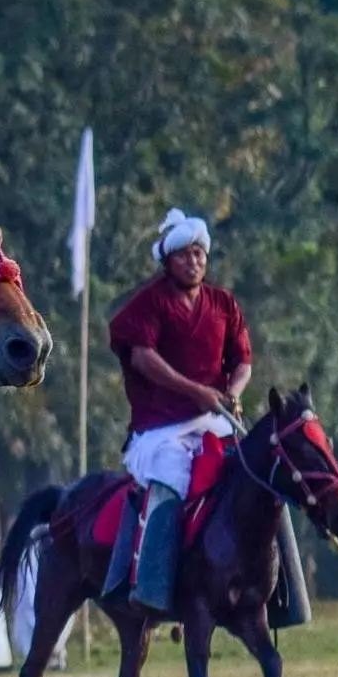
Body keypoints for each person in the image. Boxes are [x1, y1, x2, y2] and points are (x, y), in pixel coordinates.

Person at [104, 209, 252, 614]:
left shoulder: (223, 303)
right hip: (159, 432)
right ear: (168, 261)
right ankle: (154, 587)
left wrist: (232, 392)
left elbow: (242, 361)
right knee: (173, 482)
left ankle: (276, 591)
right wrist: (198, 392)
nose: (194, 262)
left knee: (260, 476)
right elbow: (142, 358)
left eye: (199, 254)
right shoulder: (149, 304)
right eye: (185, 255)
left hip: (215, 421)